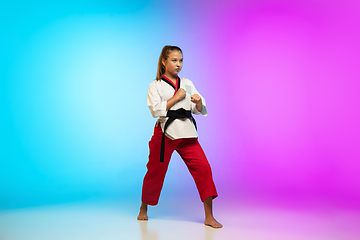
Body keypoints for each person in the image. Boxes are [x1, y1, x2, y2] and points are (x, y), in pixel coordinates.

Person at [137, 45, 222, 228]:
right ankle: (144, 208)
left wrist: (198, 102)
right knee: (155, 171)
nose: (178, 64)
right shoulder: (156, 85)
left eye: (181, 60)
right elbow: (155, 110)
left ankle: (209, 216)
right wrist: (176, 97)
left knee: (204, 169)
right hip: (164, 133)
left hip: (186, 132)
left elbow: (198, 110)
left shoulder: (187, 83)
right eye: (174, 60)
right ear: (164, 61)